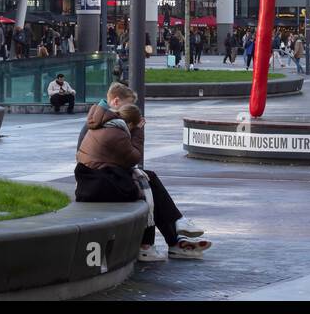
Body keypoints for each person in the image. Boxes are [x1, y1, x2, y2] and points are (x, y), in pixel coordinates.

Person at [75, 83, 210, 261]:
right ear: (116, 101)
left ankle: (175, 237)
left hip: (101, 177)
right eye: (128, 105)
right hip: (99, 182)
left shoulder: (102, 120)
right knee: (146, 185)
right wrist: (138, 131)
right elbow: (132, 157)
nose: (131, 110)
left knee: (147, 179)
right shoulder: (109, 126)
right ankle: (164, 238)